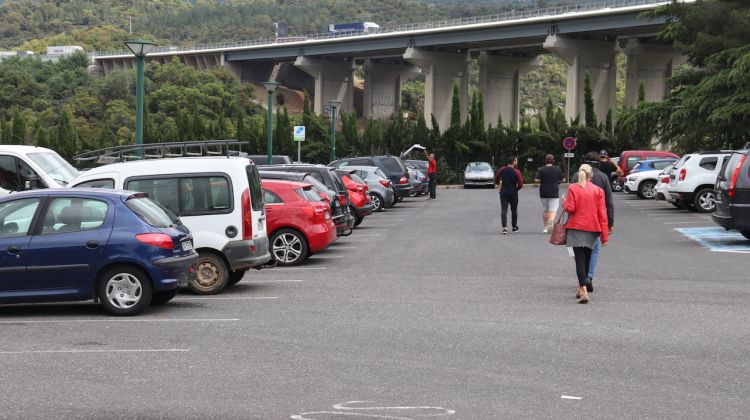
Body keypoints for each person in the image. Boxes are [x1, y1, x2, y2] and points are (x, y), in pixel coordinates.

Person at [561, 164, 609, 304]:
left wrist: (564, 202)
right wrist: (604, 235)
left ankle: (583, 289)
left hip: (576, 227)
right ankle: (582, 287)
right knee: (587, 259)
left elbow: (571, 208)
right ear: (591, 175)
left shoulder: (573, 188)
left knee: (579, 260)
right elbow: (602, 214)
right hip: (592, 228)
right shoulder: (598, 190)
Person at [535, 154, 565, 233]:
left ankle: (545, 228)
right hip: (554, 192)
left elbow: (536, 180)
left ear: (545, 161)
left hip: (543, 192)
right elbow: (563, 179)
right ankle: (550, 223)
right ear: (553, 161)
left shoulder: (541, 169)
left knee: (545, 210)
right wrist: (558, 181)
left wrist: (543, 180)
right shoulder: (557, 169)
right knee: (553, 210)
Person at [494, 156, 523, 235]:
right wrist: (516, 189)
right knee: (514, 210)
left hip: (504, 192)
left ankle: (504, 228)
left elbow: (496, 178)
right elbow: (520, 184)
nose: (517, 162)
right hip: (513, 193)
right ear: (513, 162)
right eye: (516, 161)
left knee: (504, 209)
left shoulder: (502, 169)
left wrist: (498, 184)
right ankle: (514, 227)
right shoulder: (517, 172)